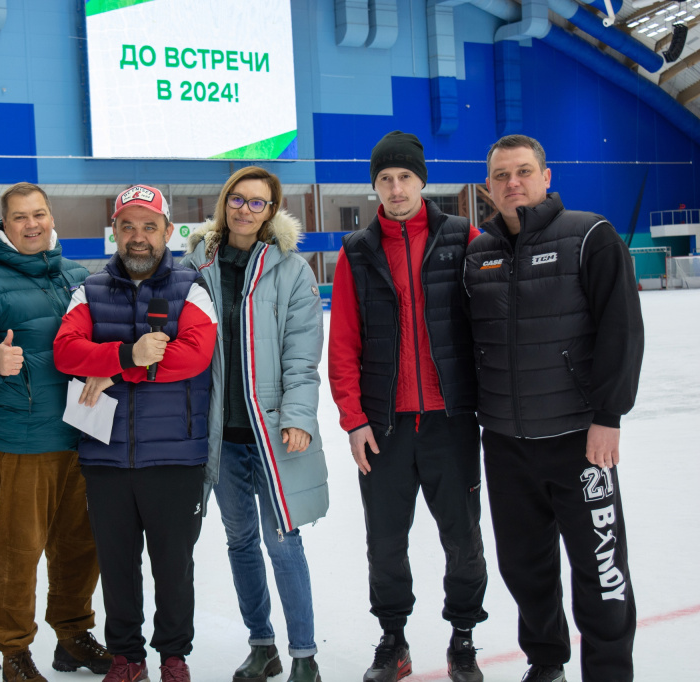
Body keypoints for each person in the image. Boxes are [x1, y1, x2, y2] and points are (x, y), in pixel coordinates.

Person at [464, 135, 643, 682]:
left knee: (601, 571)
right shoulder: (479, 254)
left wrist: (608, 417)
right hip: (506, 444)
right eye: (501, 175)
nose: (512, 182)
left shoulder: (590, 236)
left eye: (523, 171)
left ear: (546, 176)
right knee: (525, 568)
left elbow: (621, 331)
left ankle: (608, 673)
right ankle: (546, 663)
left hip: (579, 441)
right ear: (488, 186)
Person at [328, 131, 488, 682]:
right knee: (385, 542)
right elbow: (344, 343)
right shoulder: (356, 251)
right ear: (374, 186)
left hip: (451, 421)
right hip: (385, 427)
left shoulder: (463, 238)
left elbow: (490, 323)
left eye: (404, 177)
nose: (395, 189)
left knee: (463, 538)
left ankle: (463, 637)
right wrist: (354, 420)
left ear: (421, 180)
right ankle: (393, 639)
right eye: (384, 179)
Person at [0, 182, 107, 682]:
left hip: (82, 433)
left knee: (80, 545)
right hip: (23, 439)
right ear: (4, 225)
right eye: (20, 217)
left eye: (39, 214)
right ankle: (14, 649)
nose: (32, 224)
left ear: (52, 217)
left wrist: (107, 365)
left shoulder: (77, 276)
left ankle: (73, 635)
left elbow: (102, 341)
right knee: (20, 550)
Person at [53, 185, 218, 682]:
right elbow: (66, 351)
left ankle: (173, 656)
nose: (138, 236)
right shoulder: (89, 289)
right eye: (128, 227)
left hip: (175, 456)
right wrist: (129, 355)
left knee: (173, 568)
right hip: (106, 457)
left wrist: (113, 368)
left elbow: (194, 356)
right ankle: (127, 657)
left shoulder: (192, 287)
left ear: (168, 232)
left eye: (149, 226)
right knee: (117, 567)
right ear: (115, 232)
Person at [182, 167, 327, 682]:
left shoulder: (291, 269)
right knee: (240, 541)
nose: (245, 210)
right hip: (222, 437)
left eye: (257, 202)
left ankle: (304, 655)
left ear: (271, 210)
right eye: (238, 199)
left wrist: (298, 415)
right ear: (225, 202)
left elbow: (302, 353)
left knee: (283, 540)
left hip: (273, 433)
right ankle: (262, 645)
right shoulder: (197, 264)